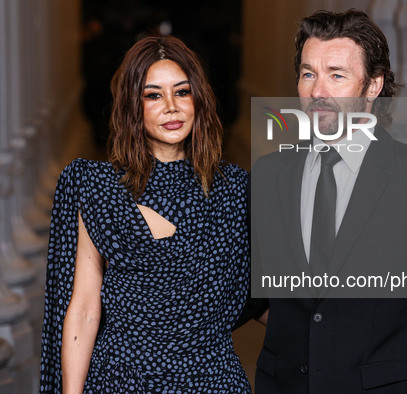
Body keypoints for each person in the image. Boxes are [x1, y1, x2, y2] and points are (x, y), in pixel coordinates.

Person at [248, 9, 407, 393]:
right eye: (308, 73)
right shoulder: (271, 174)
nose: (318, 91)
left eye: (336, 75)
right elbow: (250, 286)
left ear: (373, 86)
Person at [39, 35, 251, 393]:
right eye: (153, 95)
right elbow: (85, 307)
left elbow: (262, 296)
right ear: (132, 107)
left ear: (199, 99)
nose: (171, 106)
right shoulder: (100, 188)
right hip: (124, 380)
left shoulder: (235, 190)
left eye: (182, 92)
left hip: (212, 380)